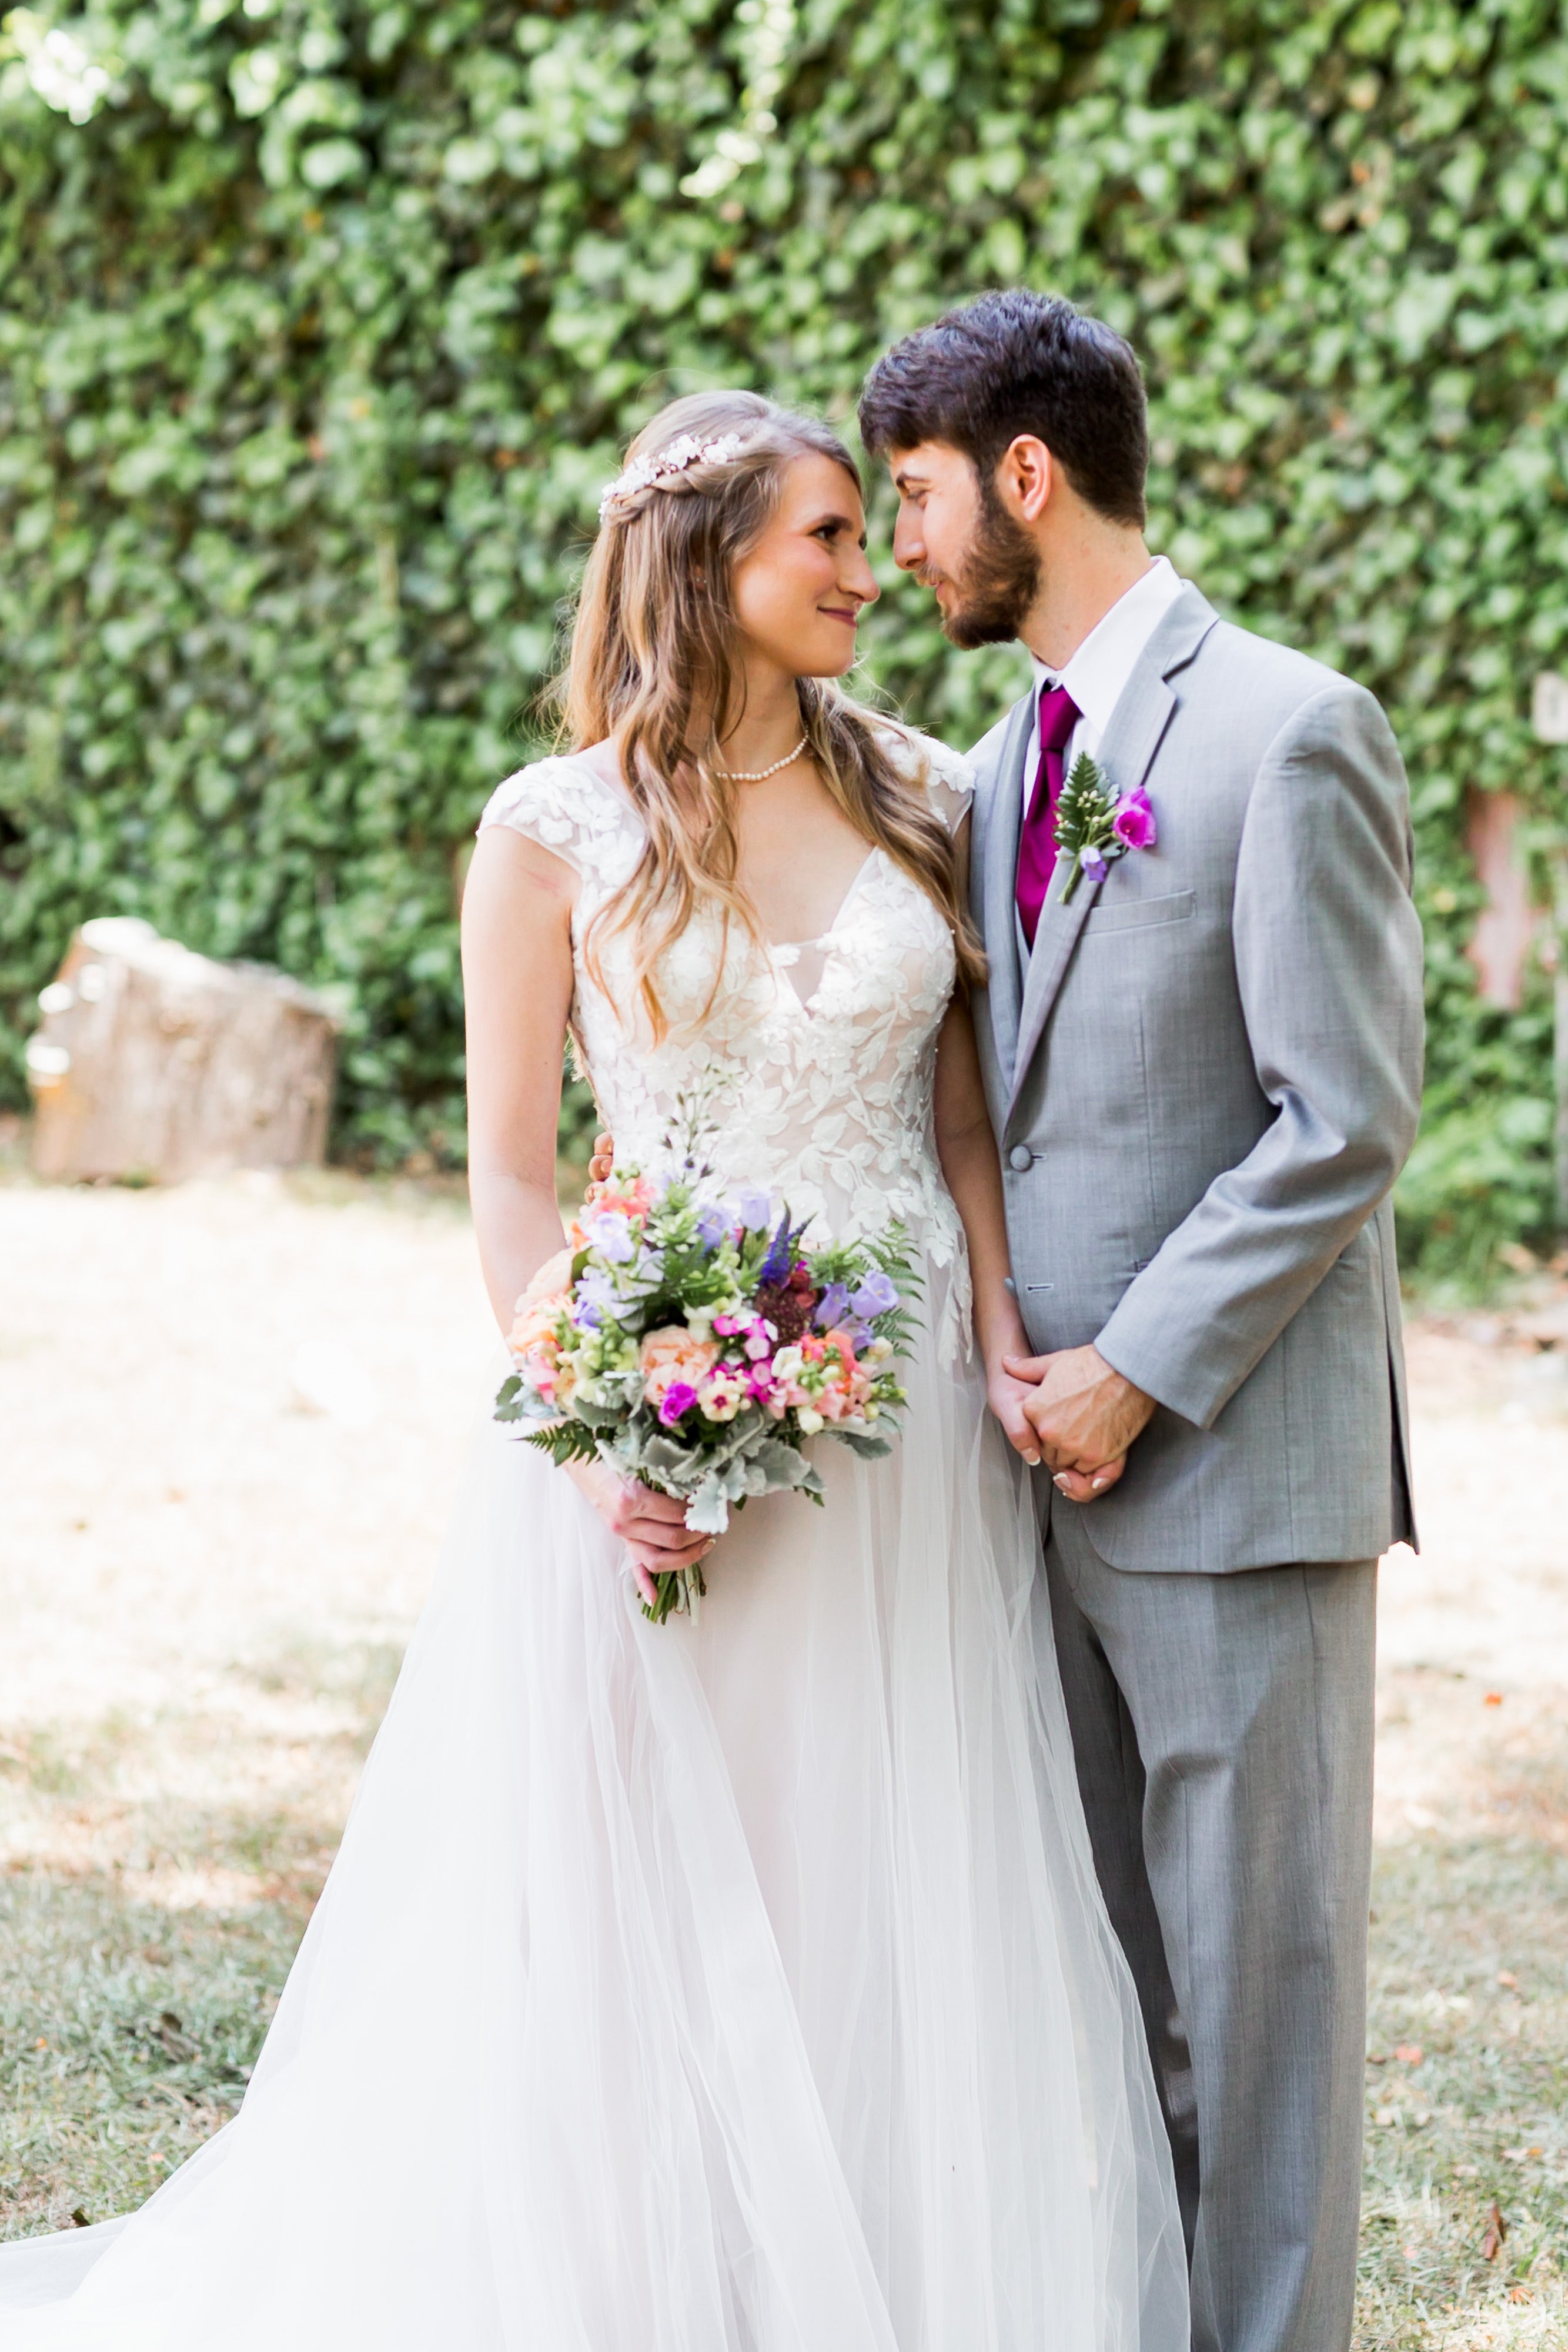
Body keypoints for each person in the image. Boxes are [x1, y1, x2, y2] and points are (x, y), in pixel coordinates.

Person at [0, 390, 1187, 2348]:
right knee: (653, 1874)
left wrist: (991, 1323)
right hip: (657, 1429)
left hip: (901, 1439)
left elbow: (963, 1116)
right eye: (822, 535)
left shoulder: (918, 786)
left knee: (885, 1855)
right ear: (704, 562)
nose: (864, 567)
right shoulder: (551, 831)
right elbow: (510, 1182)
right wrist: (588, 1438)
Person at [855, 290, 1425, 2352]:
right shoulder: (997, 761)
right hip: (1035, 1486)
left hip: (1228, 1473)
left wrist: (1131, 1370)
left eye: (911, 496)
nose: (898, 543)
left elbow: (1340, 1118)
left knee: (1258, 2026)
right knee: (1112, 2014)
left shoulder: (1289, 726)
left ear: (1024, 474)